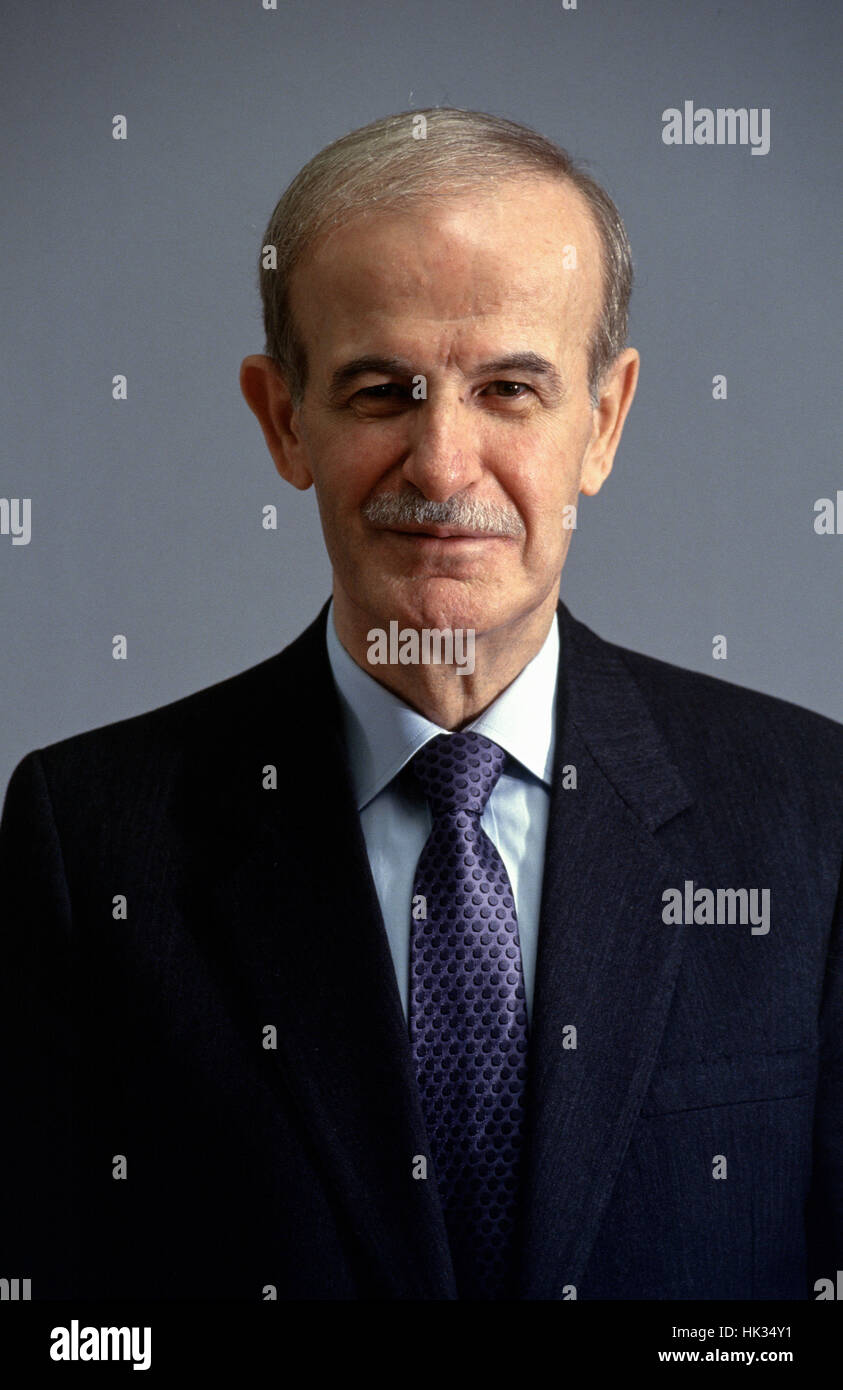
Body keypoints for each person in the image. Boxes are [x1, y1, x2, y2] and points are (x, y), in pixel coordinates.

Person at [1, 108, 840, 1302]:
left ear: (604, 420)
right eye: (382, 391)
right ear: (284, 418)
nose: (443, 468)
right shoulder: (86, 842)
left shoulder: (811, 818)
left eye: (509, 388)